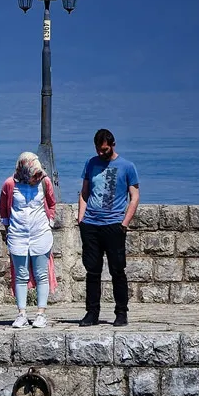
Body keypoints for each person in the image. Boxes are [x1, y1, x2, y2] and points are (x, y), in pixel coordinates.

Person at [77, 129, 140, 327]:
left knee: (117, 270)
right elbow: (84, 192)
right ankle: (92, 313)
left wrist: (124, 224)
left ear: (113, 145)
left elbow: (135, 197)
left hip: (114, 225)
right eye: (98, 150)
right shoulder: (91, 163)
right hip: (91, 225)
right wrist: (81, 219)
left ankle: (121, 312)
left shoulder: (127, 166)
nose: (101, 154)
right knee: (92, 271)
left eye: (104, 150)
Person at [0, 152, 57, 328]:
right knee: (21, 276)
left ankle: (41, 313)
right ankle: (22, 314)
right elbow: (3, 208)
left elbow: (52, 203)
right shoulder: (10, 184)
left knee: (41, 274)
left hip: (40, 234)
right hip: (18, 235)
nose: (36, 176)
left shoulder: (44, 182)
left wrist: (50, 222)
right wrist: (8, 228)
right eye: (32, 173)